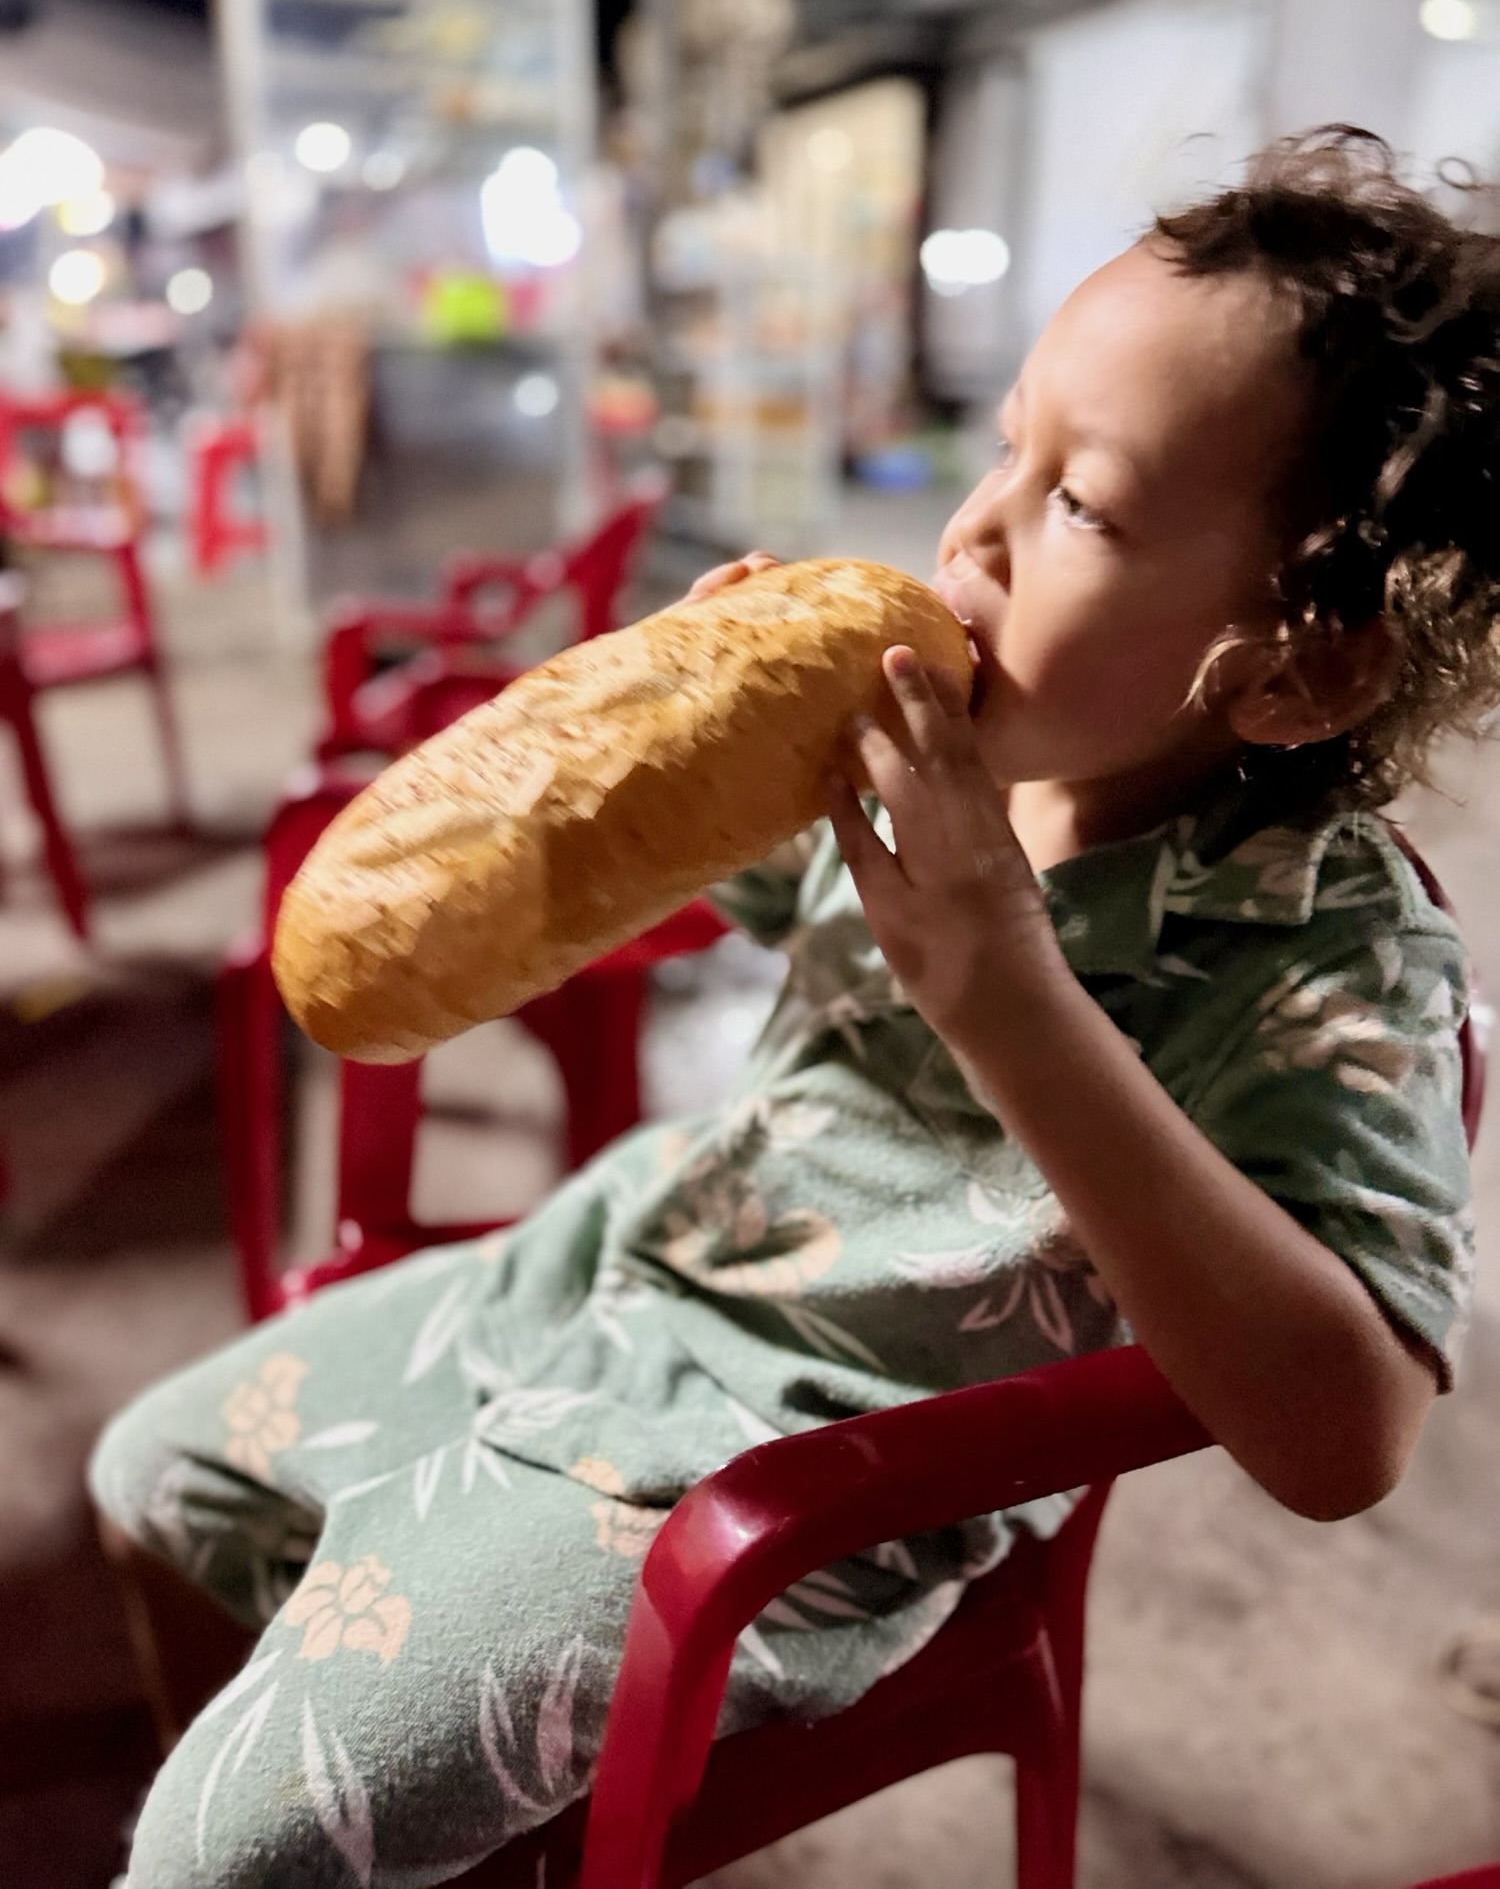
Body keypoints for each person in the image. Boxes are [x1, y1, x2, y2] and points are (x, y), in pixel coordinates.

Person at [91, 128, 1494, 1886]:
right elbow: (701, 895)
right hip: (624, 1268)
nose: (972, 532)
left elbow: (1344, 1435)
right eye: (1006, 453)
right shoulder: (921, 755)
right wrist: (656, 742)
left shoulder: (1325, 969)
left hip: (797, 1470)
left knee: (222, 1851)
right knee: (154, 1470)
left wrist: (1011, 997)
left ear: (1297, 666)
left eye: (1081, 504)